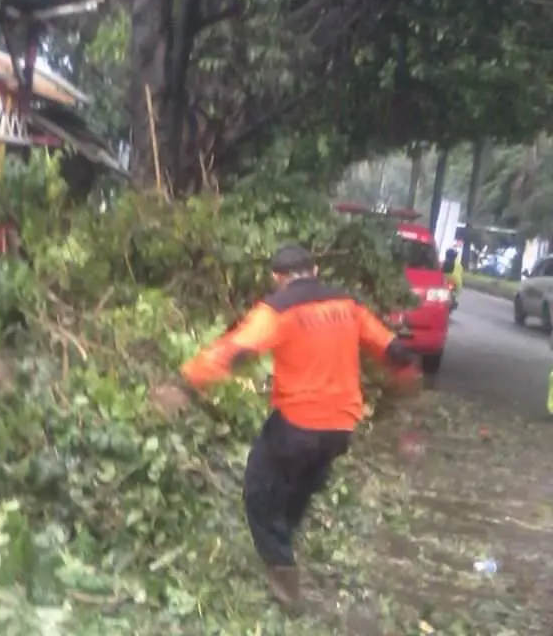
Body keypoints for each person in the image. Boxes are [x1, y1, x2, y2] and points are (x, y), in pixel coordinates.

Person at [151, 243, 421, 610]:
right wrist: (406, 372)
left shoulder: (279, 309)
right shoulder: (347, 305)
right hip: (341, 426)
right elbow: (389, 346)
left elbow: (237, 350)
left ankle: (283, 574)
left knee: (258, 492)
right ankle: (284, 549)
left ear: (277, 277)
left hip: (298, 422)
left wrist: (186, 382)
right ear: (314, 271)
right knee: (298, 488)